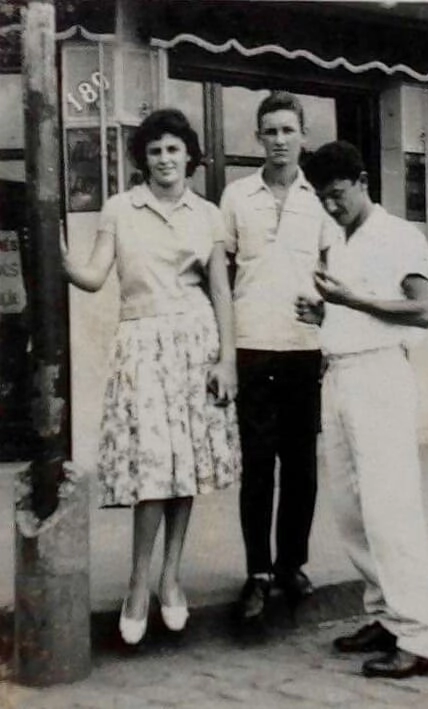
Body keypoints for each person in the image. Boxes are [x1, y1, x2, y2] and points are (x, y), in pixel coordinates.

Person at [61, 108, 241, 644]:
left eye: (173, 149)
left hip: (194, 342)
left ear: (189, 156)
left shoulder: (207, 214)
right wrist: (58, 251)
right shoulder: (120, 208)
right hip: (141, 343)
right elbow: (94, 277)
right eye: (155, 150)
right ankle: (139, 581)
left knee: (184, 464)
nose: (164, 159)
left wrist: (227, 359)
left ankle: (171, 577)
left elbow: (220, 292)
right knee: (153, 466)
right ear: (143, 158)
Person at [297, 140, 428, 679]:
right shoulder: (339, 240)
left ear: (362, 181)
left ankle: (422, 636)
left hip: (381, 376)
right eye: (321, 197)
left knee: (390, 510)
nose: (330, 206)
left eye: (336, 194)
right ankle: (385, 616)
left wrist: (350, 303)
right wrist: (323, 313)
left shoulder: (398, 234)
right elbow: (354, 308)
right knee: (351, 509)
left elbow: (422, 310)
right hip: (340, 375)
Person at [220, 91, 338, 622]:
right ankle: (258, 573)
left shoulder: (322, 201)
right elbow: (218, 274)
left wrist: (330, 325)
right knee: (257, 467)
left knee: (302, 468)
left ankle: (291, 563)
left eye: (289, 130)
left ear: (303, 136)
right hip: (250, 347)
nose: (280, 140)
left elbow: (339, 276)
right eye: (270, 131)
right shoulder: (236, 196)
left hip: (303, 350)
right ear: (258, 137)